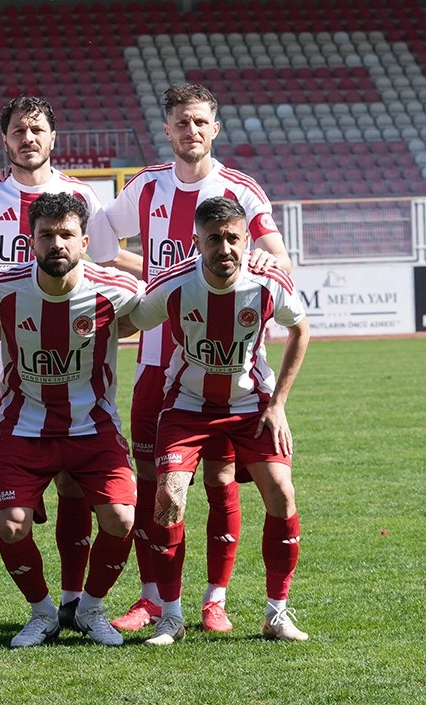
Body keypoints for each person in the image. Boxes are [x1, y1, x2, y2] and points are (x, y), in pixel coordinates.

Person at [86, 83, 292, 634]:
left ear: (214, 128)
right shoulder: (146, 186)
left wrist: (257, 269)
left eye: (200, 122)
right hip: (157, 363)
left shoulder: (241, 190)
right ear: (167, 129)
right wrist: (155, 274)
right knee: (154, 482)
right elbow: (99, 242)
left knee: (222, 478)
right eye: (181, 122)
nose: (191, 131)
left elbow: (279, 258)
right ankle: (154, 598)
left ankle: (215, 599)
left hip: (221, 367)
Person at [0, 96, 105, 629]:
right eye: (18, 130)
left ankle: (73, 600)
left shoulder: (83, 196)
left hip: (72, 370)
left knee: (73, 485)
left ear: (53, 137)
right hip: (2, 371)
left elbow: (106, 258)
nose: (28, 138)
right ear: (5, 139)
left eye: (37, 129)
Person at [121, 196, 310, 645]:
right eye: (213, 240)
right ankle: (171, 617)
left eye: (232, 239)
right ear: (196, 242)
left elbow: (300, 329)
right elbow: (129, 322)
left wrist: (278, 403)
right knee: (168, 497)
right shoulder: (174, 284)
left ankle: (276, 613)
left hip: (250, 406)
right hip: (187, 406)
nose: (224, 248)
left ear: (246, 241)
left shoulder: (267, 282)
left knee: (282, 492)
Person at [0, 193, 140, 648]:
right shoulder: (0, 288)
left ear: (84, 242)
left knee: (121, 519)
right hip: (24, 428)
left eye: (67, 234)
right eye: (46, 235)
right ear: (30, 242)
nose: (57, 243)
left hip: (94, 427)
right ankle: (43, 612)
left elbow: (154, 309)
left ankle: (90, 608)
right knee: (11, 524)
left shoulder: (117, 288)